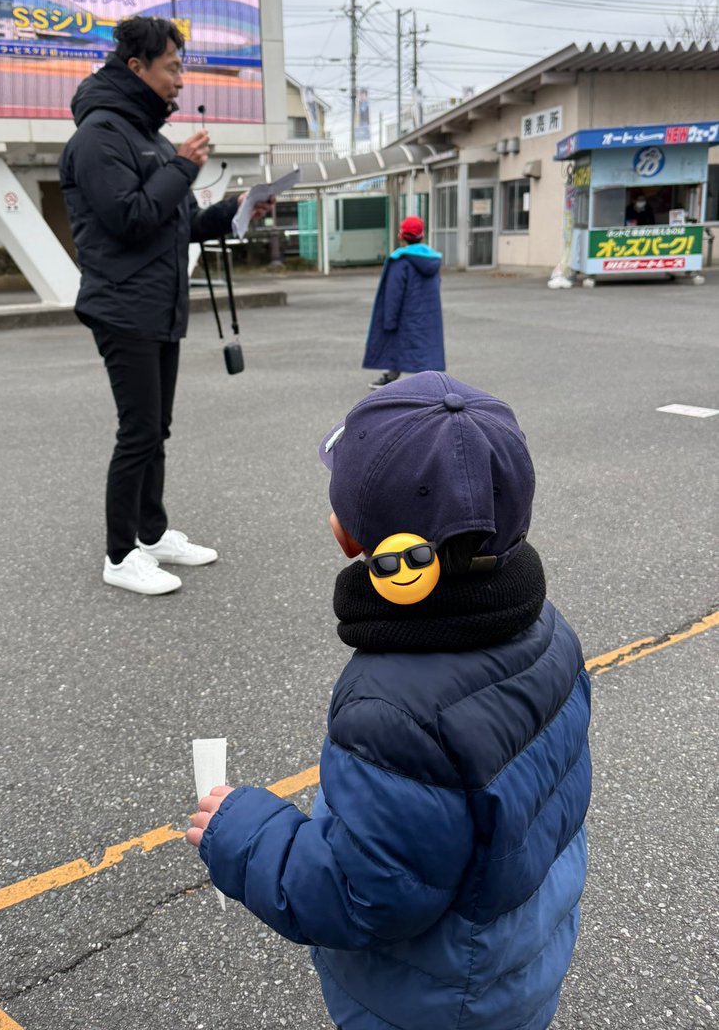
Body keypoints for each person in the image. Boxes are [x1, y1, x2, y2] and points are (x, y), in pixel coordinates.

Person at [187, 371, 592, 1030]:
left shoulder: (391, 710)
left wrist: (243, 831)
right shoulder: (550, 630)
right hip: (521, 950)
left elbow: (362, 894)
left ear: (359, 544)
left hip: (438, 999)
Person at [59, 16, 271, 596]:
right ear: (137, 68)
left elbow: (173, 225)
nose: (181, 79)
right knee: (139, 431)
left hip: (156, 304)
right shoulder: (100, 136)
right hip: (123, 304)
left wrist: (232, 211)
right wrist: (183, 167)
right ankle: (120, 553)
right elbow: (130, 219)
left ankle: (150, 535)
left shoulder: (146, 136)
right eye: (173, 67)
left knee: (156, 429)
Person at [363, 215, 444, 389]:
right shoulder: (432, 259)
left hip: (405, 313)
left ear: (401, 236)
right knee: (425, 344)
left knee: (396, 341)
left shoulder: (400, 261)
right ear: (422, 236)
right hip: (428, 313)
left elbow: (394, 292)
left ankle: (392, 376)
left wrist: (389, 318)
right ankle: (429, 382)